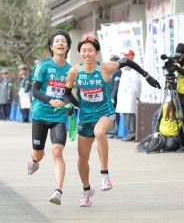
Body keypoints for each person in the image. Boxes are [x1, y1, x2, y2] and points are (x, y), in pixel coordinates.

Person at [63, 35, 161, 207]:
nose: (87, 54)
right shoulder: (74, 71)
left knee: (99, 132)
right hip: (85, 117)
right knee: (82, 158)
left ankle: (104, 175)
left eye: (90, 50)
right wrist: (72, 105)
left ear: (97, 52)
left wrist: (147, 77)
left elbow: (128, 62)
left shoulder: (105, 67)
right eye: (84, 50)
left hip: (105, 112)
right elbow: (66, 93)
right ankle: (86, 190)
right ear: (79, 53)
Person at [27, 29, 78, 206]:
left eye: (64, 41)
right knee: (38, 154)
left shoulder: (71, 71)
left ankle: (58, 192)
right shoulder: (43, 66)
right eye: (57, 41)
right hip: (40, 114)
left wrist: (81, 106)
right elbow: (34, 91)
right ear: (51, 46)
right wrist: (50, 100)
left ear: (68, 46)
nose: (60, 43)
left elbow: (68, 95)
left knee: (57, 151)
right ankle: (34, 161)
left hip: (59, 117)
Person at [116, 49, 141, 141]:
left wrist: (138, 95)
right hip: (124, 96)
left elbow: (137, 83)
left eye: (126, 56)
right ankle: (129, 133)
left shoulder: (134, 68)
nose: (124, 57)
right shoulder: (125, 68)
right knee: (126, 114)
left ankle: (132, 134)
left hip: (130, 95)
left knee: (130, 115)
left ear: (131, 57)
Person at [107, 54, 122, 138]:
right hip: (109, 96)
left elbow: (116, 86)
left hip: (114, 97)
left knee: (115, 115)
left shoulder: (118, 72)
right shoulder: (111, 72)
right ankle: (111, 131)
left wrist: (113, 97)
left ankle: (115, 132)